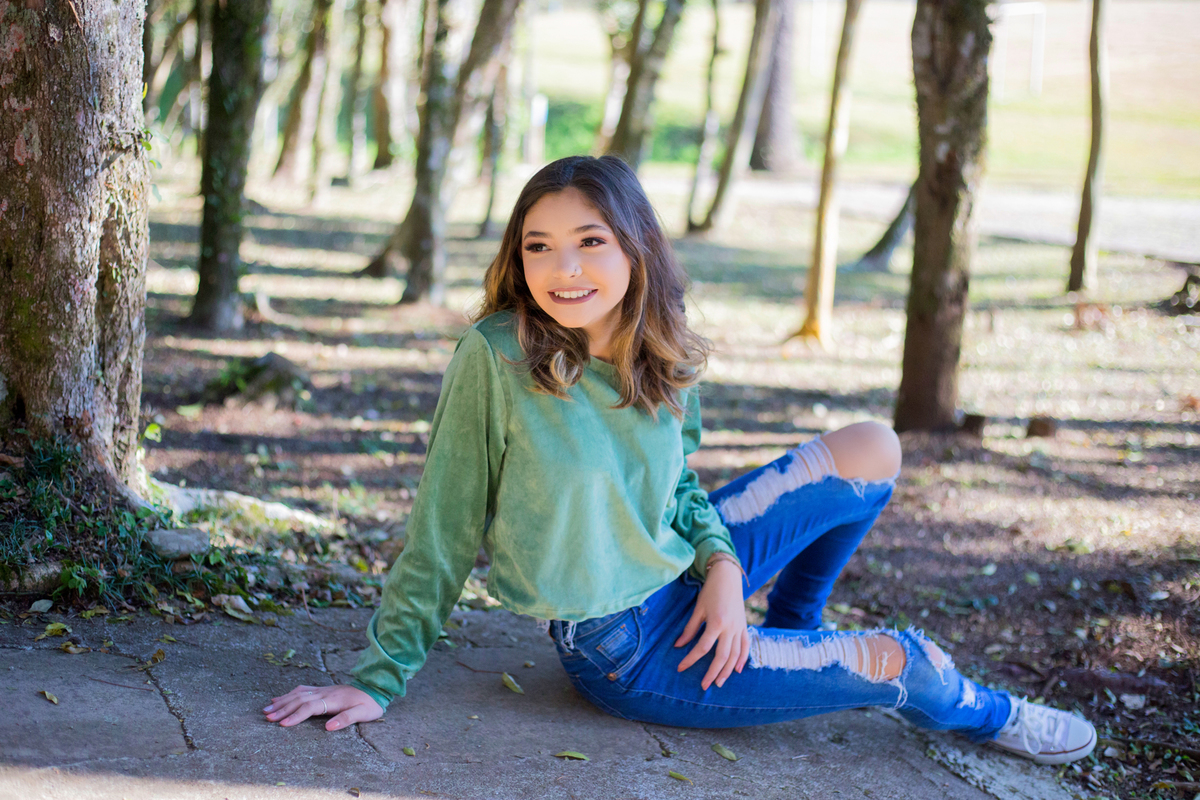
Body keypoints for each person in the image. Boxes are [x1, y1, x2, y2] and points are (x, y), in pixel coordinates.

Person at [262, 155, 1096, 766]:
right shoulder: (498, 357)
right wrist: (380, 677)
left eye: (589, 241)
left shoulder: (656, 349)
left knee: (873, 448)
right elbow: (442, 528)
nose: (563, 269)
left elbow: (678, 488)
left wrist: (724, 566)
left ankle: (792, 634)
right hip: (624, 646)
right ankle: (991, 716)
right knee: (903, 662)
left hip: (679, 569)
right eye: (538, 246)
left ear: (636, 246)